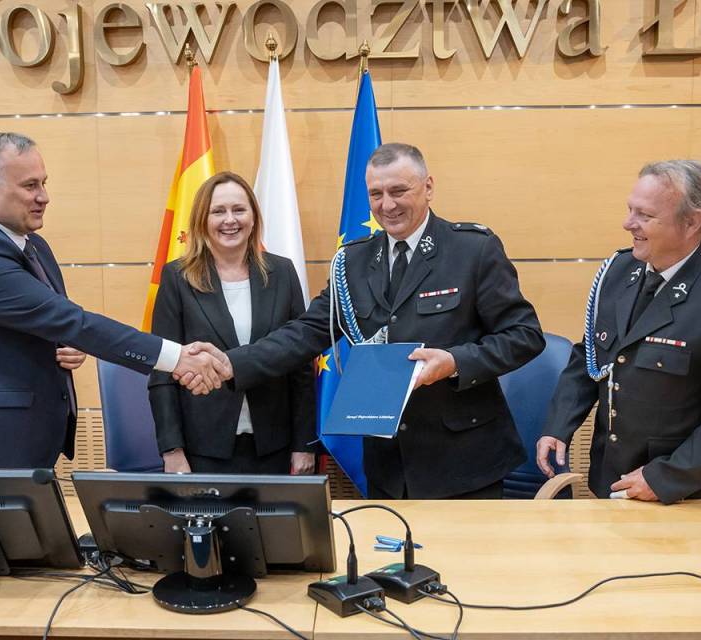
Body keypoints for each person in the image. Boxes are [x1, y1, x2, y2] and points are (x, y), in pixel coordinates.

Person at [189, 143, 545, 499]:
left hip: (464, 464)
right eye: (376, 194)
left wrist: (454, 362)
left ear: (428, 187)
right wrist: (230, 363)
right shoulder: (353, 261)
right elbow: (305, 332)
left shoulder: (472, 250)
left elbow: (524, 335)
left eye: (398, 191)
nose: (387, 205)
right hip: (387, 467)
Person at [0, 132, 229, 470]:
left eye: (43, 183)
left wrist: (62, 344)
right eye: (30, 186)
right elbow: (70, 321)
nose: (44, 197)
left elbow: (51, 324)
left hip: (17, 435)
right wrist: (176, 357)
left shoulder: (32, 245)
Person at [536, 160, 701, 504]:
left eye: (645, 215)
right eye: (630, 209)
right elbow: (590, 358)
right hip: (609, 481)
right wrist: (559, 426)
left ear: (692, 222)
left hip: (682, 496)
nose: (627, 223)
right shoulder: (619, 271)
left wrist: (664, 478)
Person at [148, 172, 316, 475]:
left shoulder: (282, 272)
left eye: (239, 210)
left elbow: (301, 365)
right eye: (218, 211)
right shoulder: (177, 278)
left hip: (273, 447)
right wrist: (172, 450)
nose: (230, 220)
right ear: (202, 219)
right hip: (202, 450)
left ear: (253, 217)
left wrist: (303, 444)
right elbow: (163, 370)